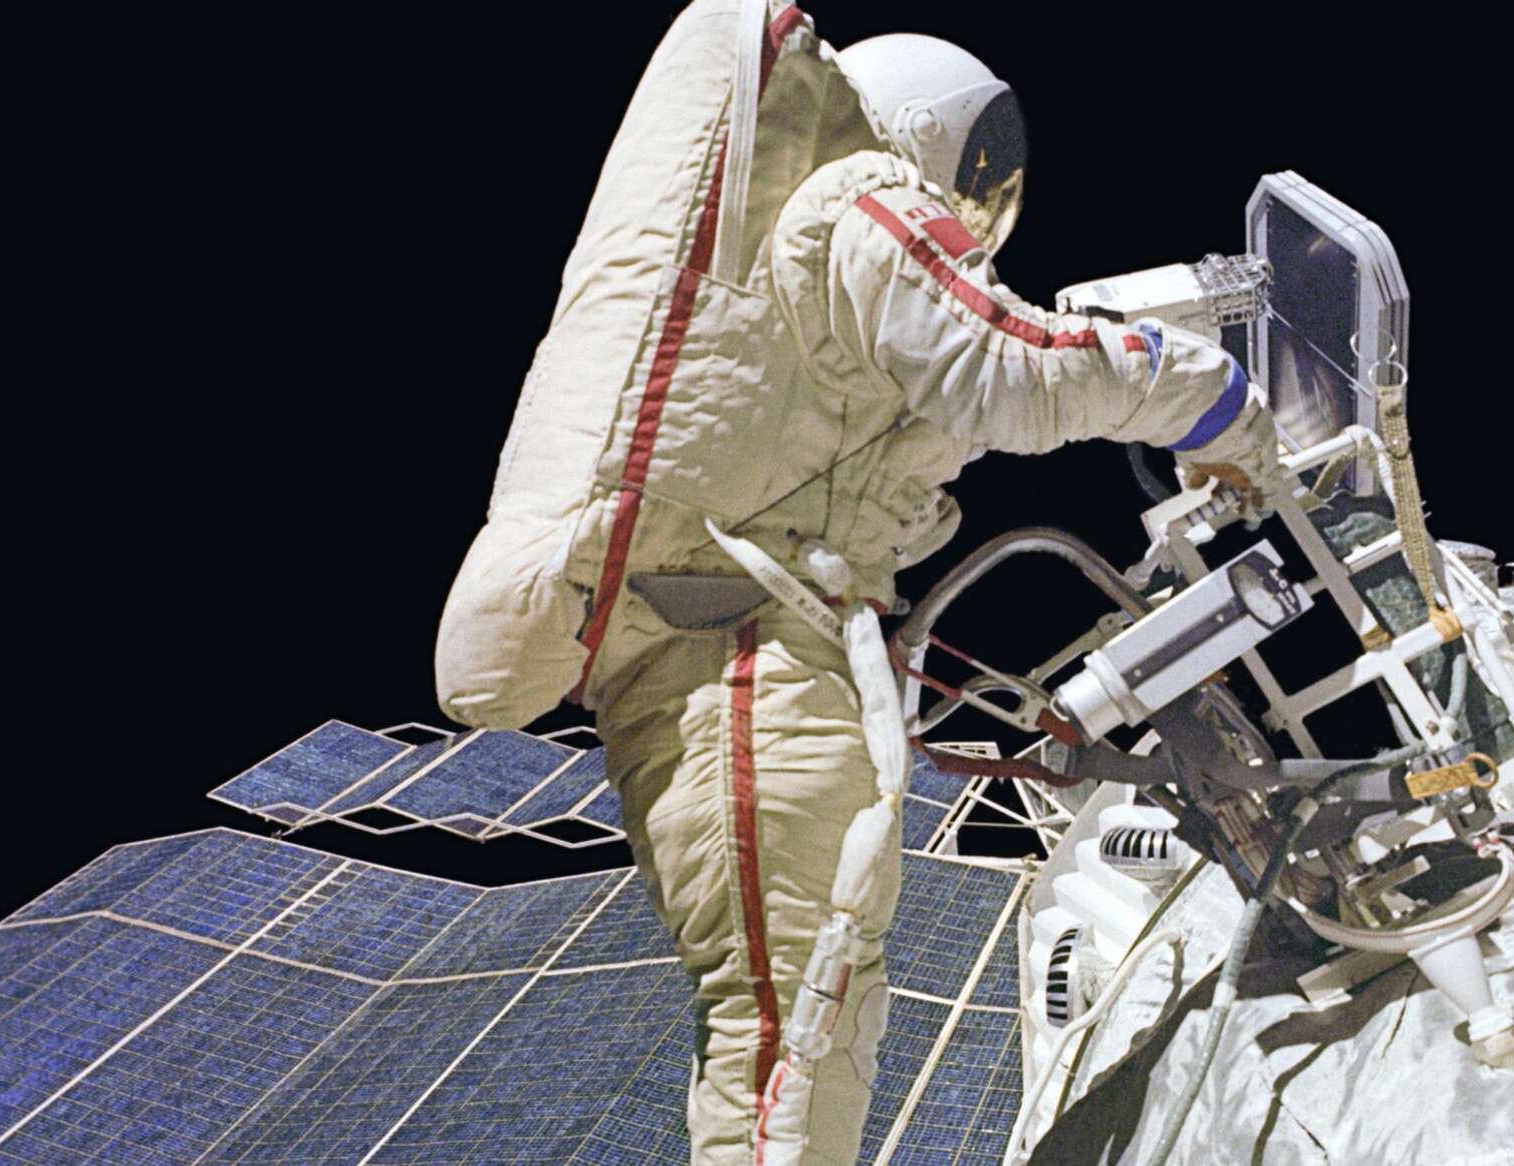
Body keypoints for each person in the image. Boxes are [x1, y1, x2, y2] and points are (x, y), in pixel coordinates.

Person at [434, 5, 1280, 1162]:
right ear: (927, 134)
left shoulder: (811, 272)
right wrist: (1210, 397)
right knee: (796, 1020)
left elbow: (908, 422)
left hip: (737, 651)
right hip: (737, 662)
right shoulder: (859, 196)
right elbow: (1008, 371)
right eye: (978, 164)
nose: (982, 198)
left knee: (804, 1013)